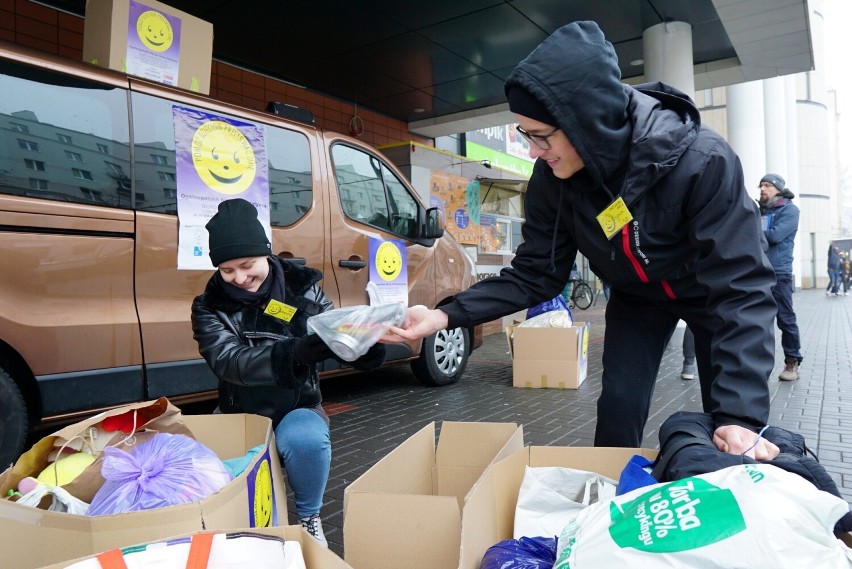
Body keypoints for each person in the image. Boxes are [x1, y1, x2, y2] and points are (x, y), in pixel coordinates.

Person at [383, 21, 779, 460]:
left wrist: (740, 417)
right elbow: (535, 273)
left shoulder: (703, 162)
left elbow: (742, 286)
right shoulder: (554, 178)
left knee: (728, 423)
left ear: (587, 122)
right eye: (525, 134)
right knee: (618, 407)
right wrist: (443, 317)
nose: (533, 151)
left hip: (710, 297)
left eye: (540, 135)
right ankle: (608, 506)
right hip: (636, 298)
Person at [191, 198, 386, 547]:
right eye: (227, 270)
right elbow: (227, 361)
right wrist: (291, 353)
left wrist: (360, 347)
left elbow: (332, 330)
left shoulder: (303, 287)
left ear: (266, 252)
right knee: (214, 473)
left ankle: (309, 517)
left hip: (298, 404)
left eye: (247, 264)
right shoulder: (209, 306)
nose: (240, 278)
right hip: (239, 411)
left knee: (305, 440)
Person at [757, 173, 803, 381]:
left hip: (779, 273)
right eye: (761, 186)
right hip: (757, 271)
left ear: (778, 189)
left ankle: (792, 362)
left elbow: (774, 236)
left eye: (767, 185)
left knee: (785, 319)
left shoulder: (790, 210)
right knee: (756, 320)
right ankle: (757, 366)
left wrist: (750, 232)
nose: (762, 189)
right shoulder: (759, 212)